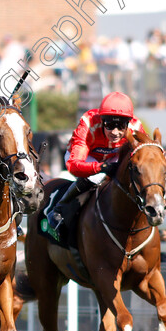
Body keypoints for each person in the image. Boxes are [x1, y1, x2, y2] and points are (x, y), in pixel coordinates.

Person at [47, 91, 143, 231]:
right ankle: (60, 208)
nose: (115, 132)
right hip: (84, 157)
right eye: (109, 125)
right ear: (102, 121)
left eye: (121, 126)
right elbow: (74, 165)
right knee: (97, 177)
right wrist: (101, 167)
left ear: (129, 123)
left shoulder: (136, 126)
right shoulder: (88, 123)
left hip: (111, 157)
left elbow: (147, 150)